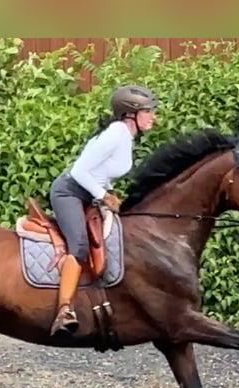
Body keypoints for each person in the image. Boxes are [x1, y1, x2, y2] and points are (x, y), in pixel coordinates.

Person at [48, 84, 159, 336]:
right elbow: (79, 171)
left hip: (88, 195)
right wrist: (104, 196)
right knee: (79, 246)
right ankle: (64, 311)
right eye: (148, 111)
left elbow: (101, 172)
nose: (153, 117)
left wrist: (106, 193)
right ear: (131, 114)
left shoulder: (125, 136)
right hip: (69, 193)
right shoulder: (116, 133)